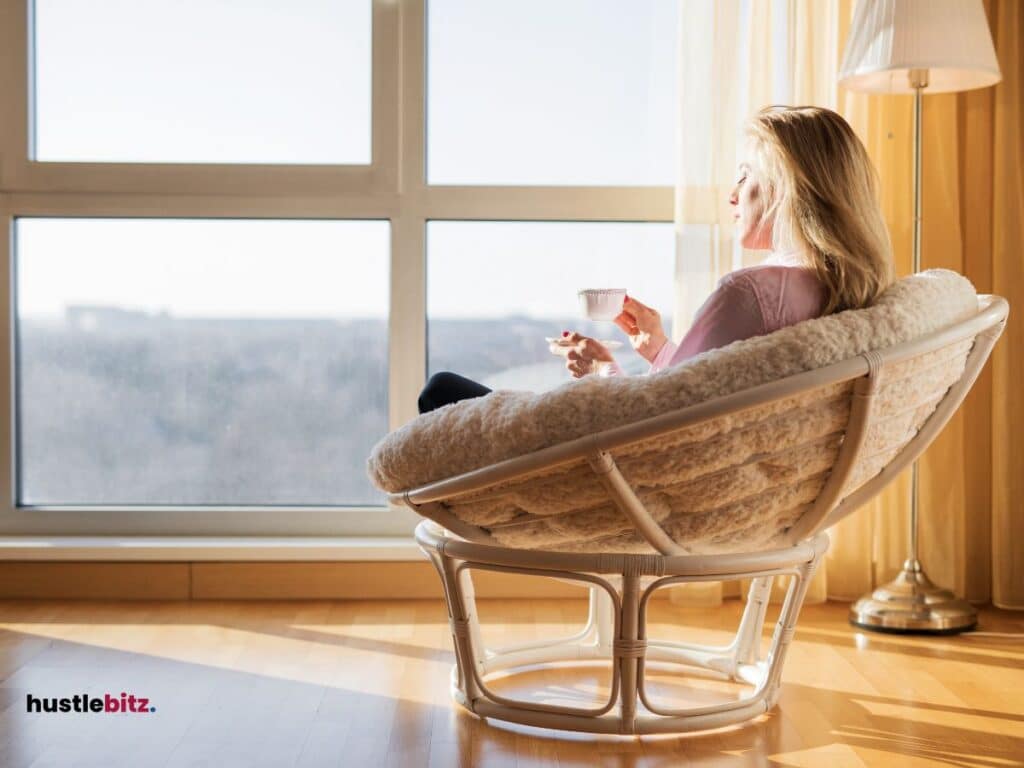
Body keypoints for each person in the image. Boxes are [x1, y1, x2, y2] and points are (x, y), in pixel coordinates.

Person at [418, 105, 894, 414]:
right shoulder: (837, 293)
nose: (731, 195)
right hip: (704, 480)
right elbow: (693, 397)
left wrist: (602, 371)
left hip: (623, 481)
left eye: (745, 176)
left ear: (787, 187)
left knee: (440, 391)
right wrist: (658, 350)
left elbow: (654, 422)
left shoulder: (752, 293)